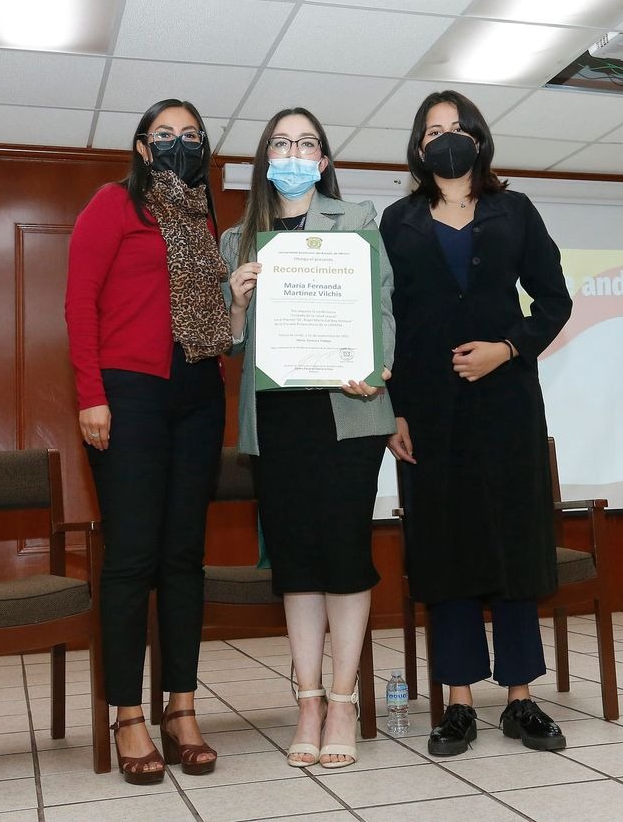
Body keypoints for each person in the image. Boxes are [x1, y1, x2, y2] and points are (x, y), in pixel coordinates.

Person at [380, 90, 573, 757]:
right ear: (418, 146)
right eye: (433, 130)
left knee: (514, 546)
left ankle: (521, 699)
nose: (445, 138)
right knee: (446, 547)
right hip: (429, 410)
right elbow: (390, 322)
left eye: (456, 127)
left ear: (479, 139)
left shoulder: (514, 209)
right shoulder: (397, 220)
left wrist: (507, 347)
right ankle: (458, 703)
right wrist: (394, 407)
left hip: (508, 404)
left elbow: (555, 298)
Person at [221, 108, 396, 769]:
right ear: (266, 157)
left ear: (323, 160)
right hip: (279, 422)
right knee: (295, 562)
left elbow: (382, 307)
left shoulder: (357, 221)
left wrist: (376, 364)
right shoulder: (240, 238)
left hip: (345, 415)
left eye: (307, 143)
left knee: (345, 556)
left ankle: (345, 701)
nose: (294, 152)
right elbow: (229, 342)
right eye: (281, 143)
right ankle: (308, 700)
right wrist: (236, 302)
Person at [65, 98, 229, 785]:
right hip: (127, 392)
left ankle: (181, 707)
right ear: (140, 148)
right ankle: (127, 711)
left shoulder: (205, 216)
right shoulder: (114, 204)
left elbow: (215, 305)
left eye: (190, 136)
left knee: (184, 557)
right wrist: (90, 394)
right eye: (164, 135)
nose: (178, 144)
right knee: (132, 558)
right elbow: (79, 299)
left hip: (198, 392)